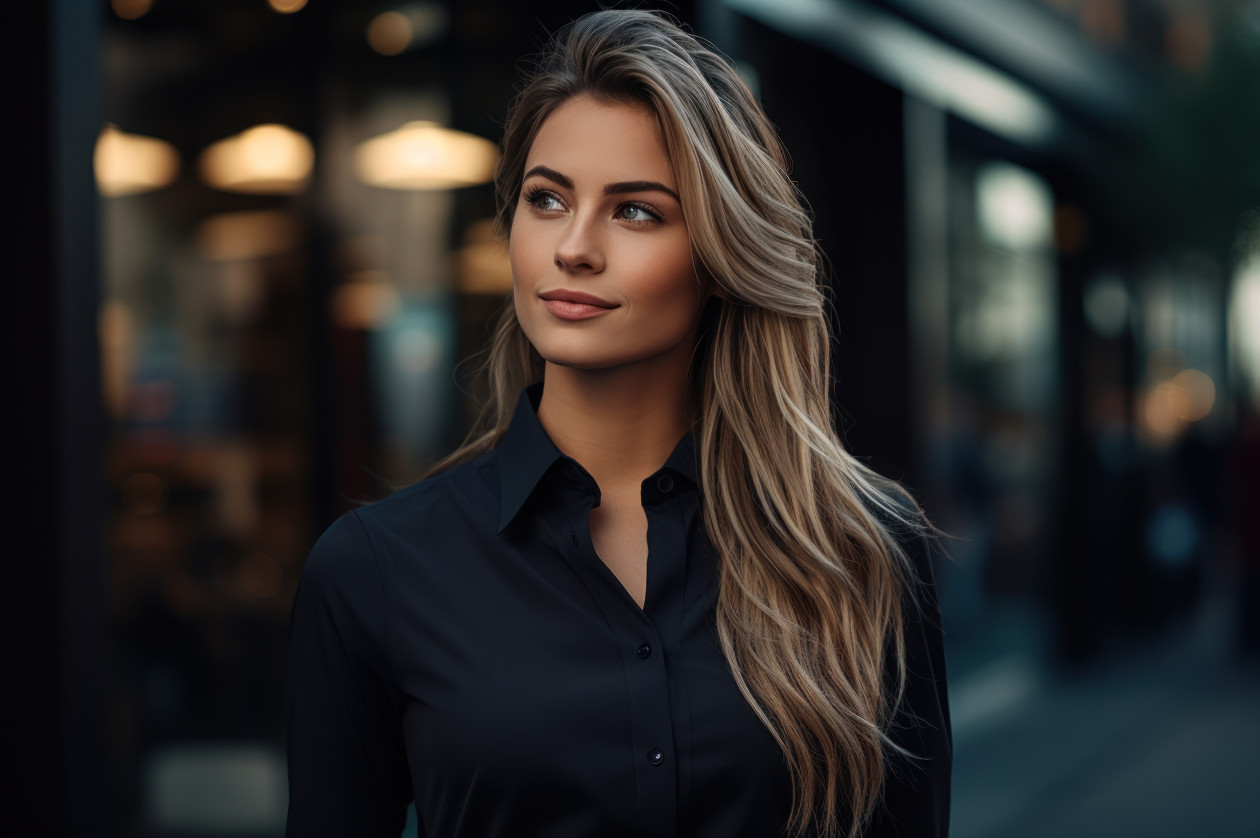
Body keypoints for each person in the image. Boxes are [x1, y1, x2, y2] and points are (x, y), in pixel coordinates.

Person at [286, 9, 950, 837]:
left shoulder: (860, 549)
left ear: (718, 257)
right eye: (547, 199)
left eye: (635, 211)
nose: (574, 247)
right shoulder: (375, 572)